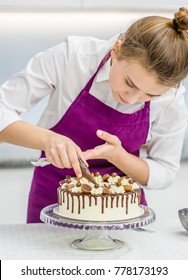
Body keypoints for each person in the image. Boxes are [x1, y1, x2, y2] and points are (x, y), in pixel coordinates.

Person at [0, 8, 188, 223]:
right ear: (117, 50)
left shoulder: (172, 100)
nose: (133, 98)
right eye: (130, 83)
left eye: (151, 94)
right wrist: (48, 139)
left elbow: (164, 171)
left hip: (122, 212)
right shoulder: (73, 57)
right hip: (53, 197)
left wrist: (119, 156)